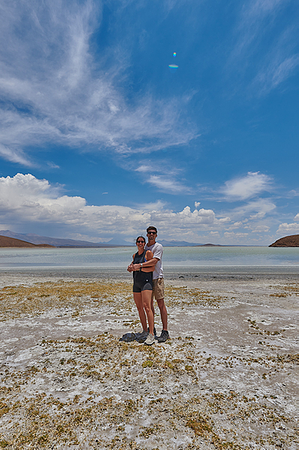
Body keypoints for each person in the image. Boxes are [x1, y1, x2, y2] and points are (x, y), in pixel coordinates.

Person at [130, 226, 169, 343]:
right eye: (149, 233)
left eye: (153, 233)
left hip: (157, 278)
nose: (151, 234)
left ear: (156, 235)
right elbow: (138, 258)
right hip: (146, 279)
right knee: (149, 306)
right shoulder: (146, 247)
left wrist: (139, 266)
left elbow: (154, 261)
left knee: (161, 304)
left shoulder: (158, 247)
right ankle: (152, 330)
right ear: (147, 235)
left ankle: (165, 331)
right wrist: (132, 266)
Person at [127, 236, 156, 345]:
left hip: (146, 283)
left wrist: (139, 268)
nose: (140, 243)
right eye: (138, 241)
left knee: (147, 307)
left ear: (144, 243)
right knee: (139, 308)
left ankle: (151, 334)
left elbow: (152, 268)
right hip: (136, 283)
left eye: (142, 241)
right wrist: (130, 268)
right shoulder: (134, 255)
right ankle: (144, 331)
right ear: (136, 243)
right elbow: (133, 266)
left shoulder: (148, 253)